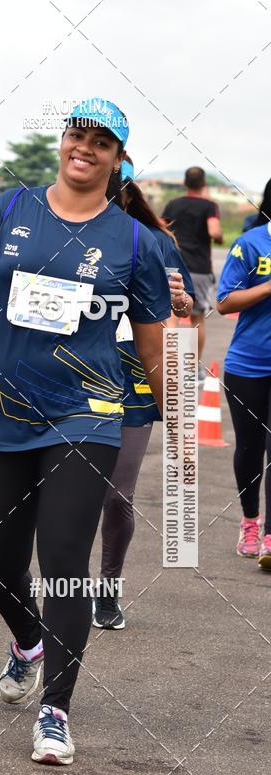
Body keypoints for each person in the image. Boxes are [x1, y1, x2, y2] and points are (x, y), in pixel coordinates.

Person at [0, 97, 171, 765]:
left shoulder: (134, 241)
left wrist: (175, 420)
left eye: (102, 142)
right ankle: (27, 640)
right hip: (5, 411)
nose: (86, 148)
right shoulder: (13, 210)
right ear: (63, 141)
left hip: (89, 413)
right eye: (78, 134)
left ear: (118, 157)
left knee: (65, 562)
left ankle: (56, 710)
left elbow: (155, 349)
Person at [93, 157, 195, 629]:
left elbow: (188, 308)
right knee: (65, 492)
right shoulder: (66, 232)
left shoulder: (154, 242)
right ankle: (64, 587)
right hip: (73, 378)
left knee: (117, 494)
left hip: (133, 380)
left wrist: (180, 301)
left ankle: (107, 590)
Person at [216, 215, 271, 569]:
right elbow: (224, 302)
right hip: (249, 365)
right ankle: (250, 521)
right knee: (250, 448)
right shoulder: (250, 243)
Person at [162, 167, 223, 383]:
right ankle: (192, 369)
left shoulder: (173, 204)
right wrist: (219, 238)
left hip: (173, 266)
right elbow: (214, 232)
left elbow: (160, 227)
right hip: (198, 268)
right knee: (197, 318)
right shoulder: (209, 206)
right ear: (203, 183)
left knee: (171, 317)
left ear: (185, 183)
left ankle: (168, 367)